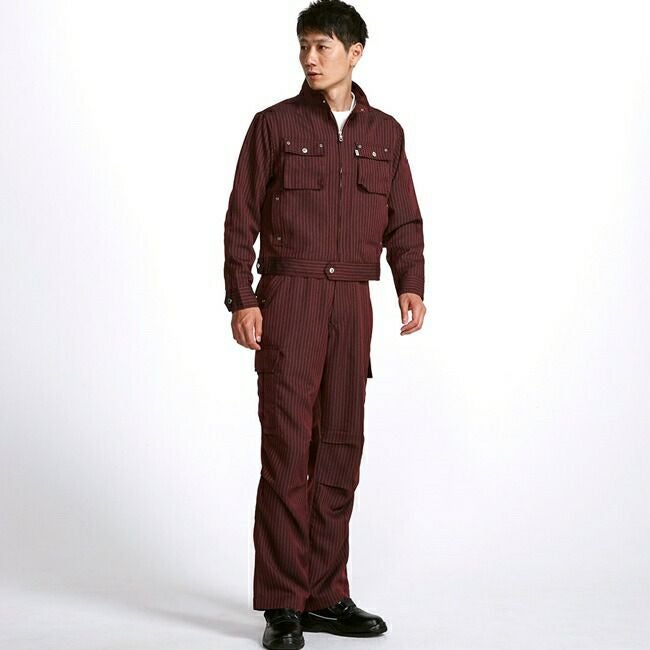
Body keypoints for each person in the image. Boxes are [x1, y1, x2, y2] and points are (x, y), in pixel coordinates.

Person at [223, 1, 426, 647]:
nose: (310, 59)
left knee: (340, 447)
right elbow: (240, 216)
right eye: (304, 46)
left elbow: (404, 218)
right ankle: (283, 603)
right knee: (288, 449)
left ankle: (326, 594)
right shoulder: (274, 125)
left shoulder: (386, 134)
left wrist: (411, 283)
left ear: (355, 52)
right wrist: (242, 297)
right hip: (291, 294)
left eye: (323, 47)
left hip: (353, 303)